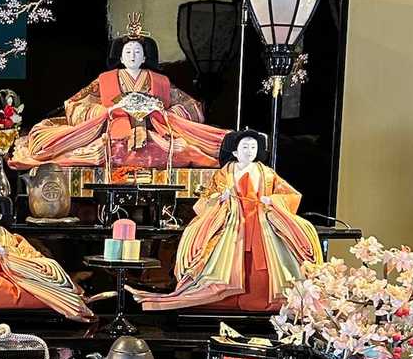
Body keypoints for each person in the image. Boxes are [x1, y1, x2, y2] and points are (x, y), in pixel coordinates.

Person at [133, 129, 322, 312]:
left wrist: (273, 200)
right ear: (235, 151)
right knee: (221, 261)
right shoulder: (224, 173)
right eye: (245, 147)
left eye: (253, 147)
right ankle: (221, 297)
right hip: (231, 222)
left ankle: (262, 299)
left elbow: (290, 194)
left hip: (261, 221)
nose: (249, 151)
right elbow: (207, 198)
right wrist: (220, 198)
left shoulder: (267, 173)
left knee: (267, 263)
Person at [10, 14, 225, 174]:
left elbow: (191, 107)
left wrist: (162, 112)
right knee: (92, 153)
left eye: (138, 52)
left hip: (154, 134)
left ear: (145, 57)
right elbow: (75, 104)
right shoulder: (106, 80)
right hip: (113, 134)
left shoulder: (160, 81)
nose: (133, 56)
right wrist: (106, 111)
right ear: (120, 57)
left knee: (181, 151)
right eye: (128, 52)